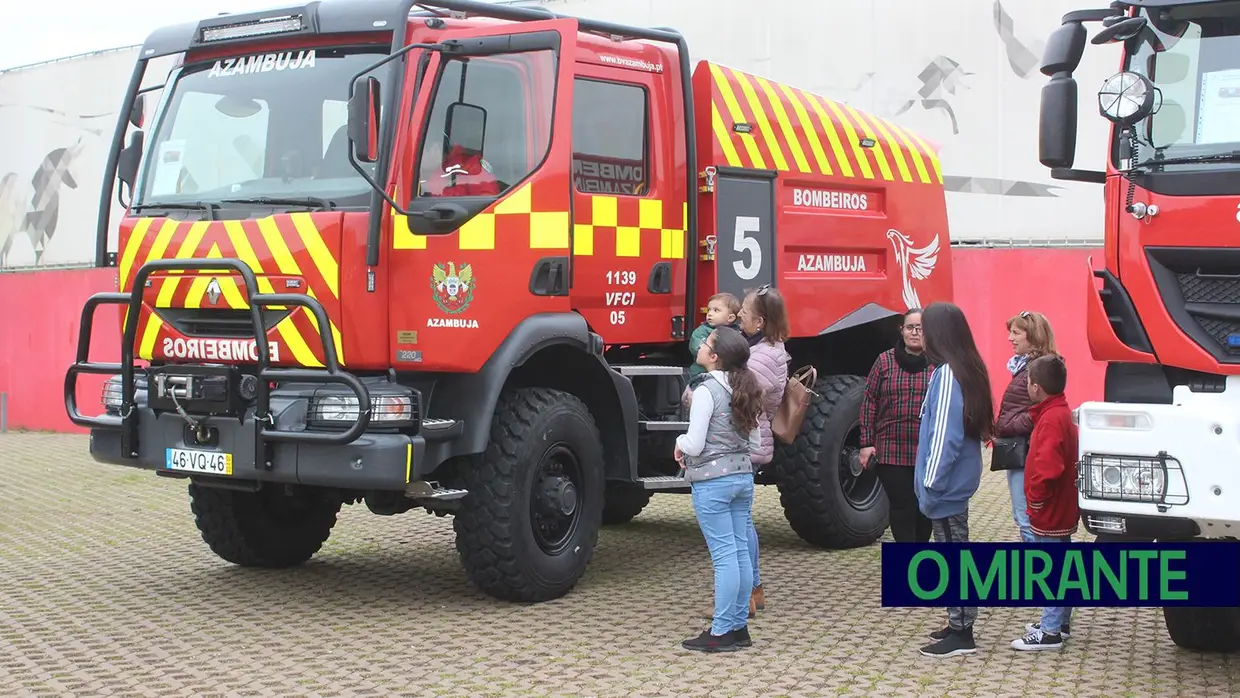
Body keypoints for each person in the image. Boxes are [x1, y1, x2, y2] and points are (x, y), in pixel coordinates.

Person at [696, 285, 789, 620]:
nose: (741, 321)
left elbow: (740, 396)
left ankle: (746, 597)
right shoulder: (766, 349)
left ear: (760, 321)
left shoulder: (763, 356)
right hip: (749, 445)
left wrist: (701, 397)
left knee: (739, 530)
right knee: (742, 525)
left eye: (746, 316)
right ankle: (753, 591)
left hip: (745, 447)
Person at [676, 326, 764, 652]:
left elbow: (695, 443)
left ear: (714, 356)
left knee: (724, 557)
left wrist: (679, 441)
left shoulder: (705, 390)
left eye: (707, 342)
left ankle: (721, 630)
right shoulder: (747, 388)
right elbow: (754, 441)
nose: (700, 344)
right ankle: (739, 627)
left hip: (712, 483)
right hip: (743, 479)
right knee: (740, 552)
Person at [913, 301, 994, 658]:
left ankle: (962, 633)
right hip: (951, 486)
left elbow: (946, 436)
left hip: (944, 488)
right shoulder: (965, 368)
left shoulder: (947, 375)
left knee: (953, 557)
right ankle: (957, 621)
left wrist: (931, 483)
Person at [1012, 353, 1079, 651]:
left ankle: (1050, 631)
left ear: (1037, 387)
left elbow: (1048, 468)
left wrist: (1035, 501)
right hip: (1058, 508)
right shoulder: (1059, 412)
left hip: (1050, 510)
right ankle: (1059, 622)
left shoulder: (1051, 419)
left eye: (1028, 381)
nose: (1026, 386)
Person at [859, 308, 936, 543]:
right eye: (910, 327)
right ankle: (906, 561)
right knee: (902, 505)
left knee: (925, 506)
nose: (915, 332)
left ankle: (921, 559)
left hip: (927, 450)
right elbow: (869, 401)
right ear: (901, 331)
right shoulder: (884, 362)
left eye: (920, 328)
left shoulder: (938, 364)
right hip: (892, 449)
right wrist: (866, 443)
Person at [993, 311, 1058, 543]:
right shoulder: (1026, 367)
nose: (1010, 338)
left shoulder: (1038, 369)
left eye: (1016, 333)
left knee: (1026, 519)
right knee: (1024, 517)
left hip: (1027, 453)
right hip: (1022, 451)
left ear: (1033, 336)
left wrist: (1006, 425)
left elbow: (1042, 411)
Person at [688, 293, 742, 382]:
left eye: (716, 310)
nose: (709, 314)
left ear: (730, 318)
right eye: (709, 310)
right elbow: (697, 349)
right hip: (701, 376)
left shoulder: (737, 333)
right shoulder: (701, 331)